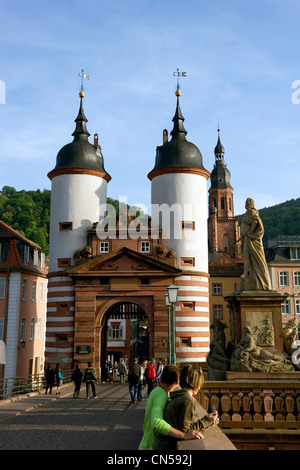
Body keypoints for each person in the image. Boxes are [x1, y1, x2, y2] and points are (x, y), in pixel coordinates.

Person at [152, 365, 219, 450]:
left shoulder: (178, 396)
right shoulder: (187, 400)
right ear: (196, 383)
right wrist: (206, 420)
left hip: (159, 444)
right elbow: (186, 431)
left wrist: (207, 422)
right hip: (167, 446)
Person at [138, 364, 204, 450]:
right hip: (151, 445)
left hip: (147, 442)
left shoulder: (157, 391)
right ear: (177, 382)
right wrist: (184, 435)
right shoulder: (161, 395)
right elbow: (157, 423)